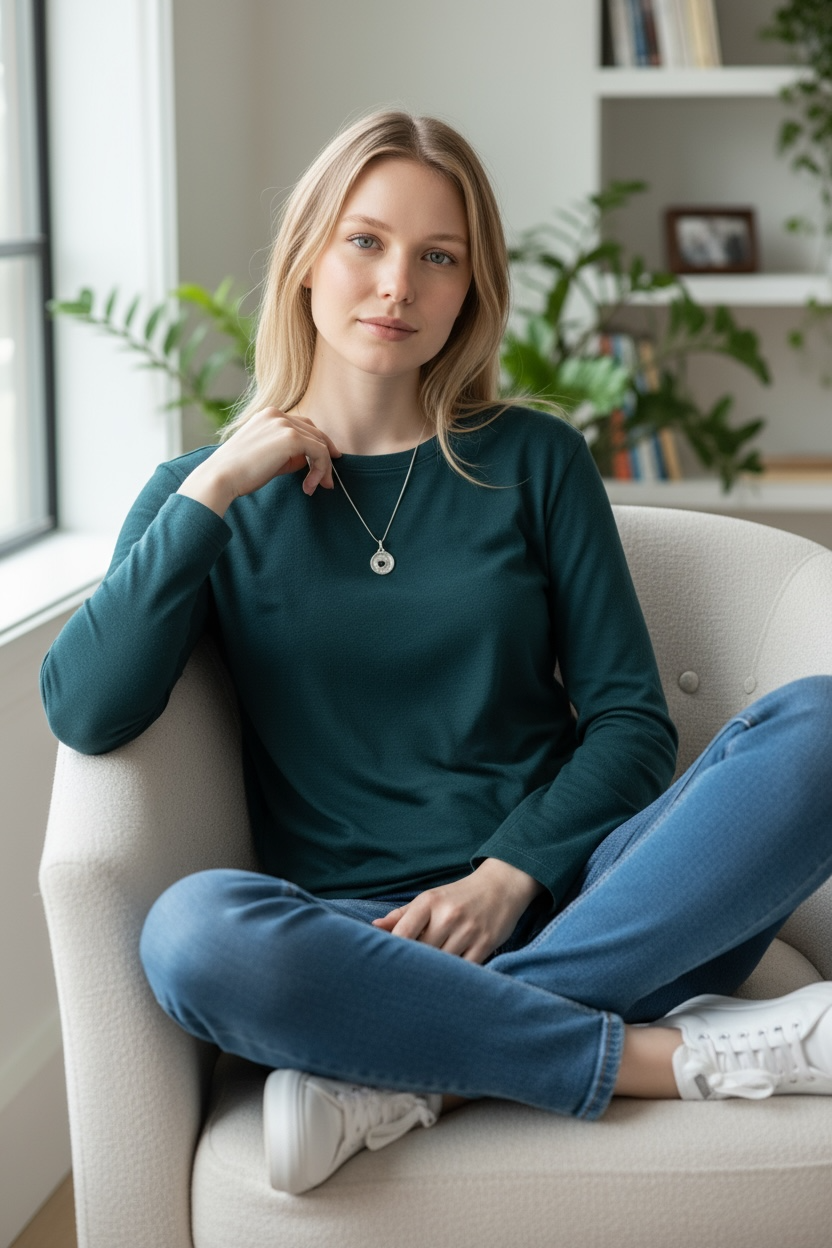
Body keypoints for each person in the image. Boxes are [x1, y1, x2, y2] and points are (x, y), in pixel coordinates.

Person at [41, 110, 832, 1197]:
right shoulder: (205, 496)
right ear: (308, 257)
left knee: (823, 728)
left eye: (437, 256)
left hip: (590, 895)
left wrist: (506, 878)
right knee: (192, 936)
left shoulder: (533, 460)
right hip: (357, 934)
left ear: (470, 286)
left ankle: (411, 1074)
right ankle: (658, 1055)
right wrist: (216, 486)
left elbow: (631, 726)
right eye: (364, 241)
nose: (395, 285)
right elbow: (86, 709)